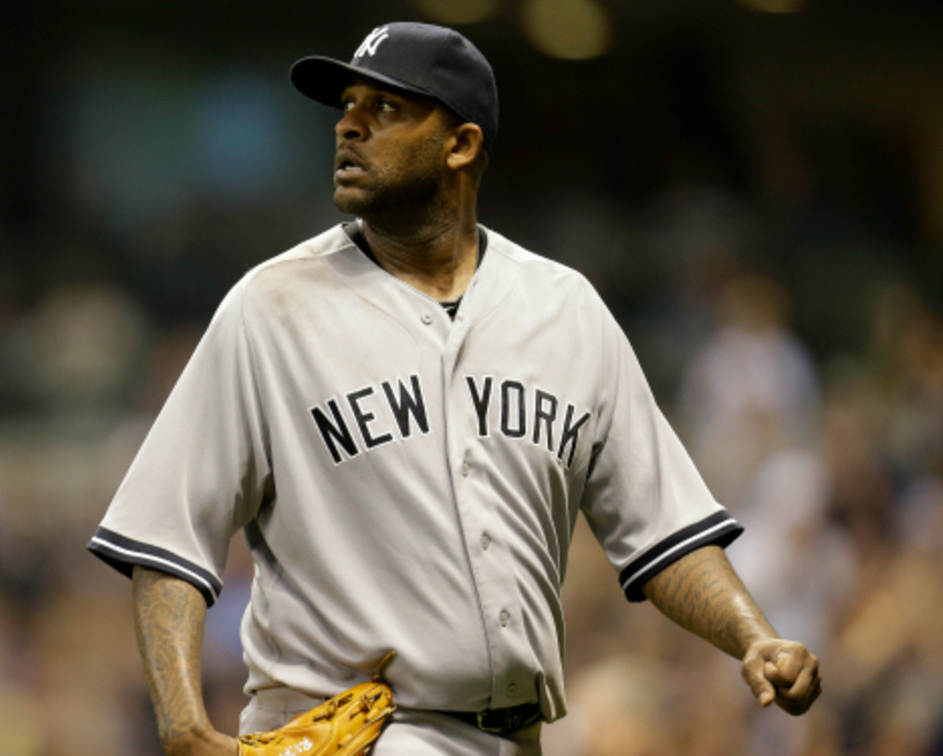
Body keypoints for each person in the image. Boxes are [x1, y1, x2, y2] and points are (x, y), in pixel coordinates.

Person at [87, 21, 822, 756]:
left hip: (516, 737)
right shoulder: (270, 308)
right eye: (348, 103)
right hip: (342, 737)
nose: (349, 124)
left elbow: (665, 534)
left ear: (461, 145)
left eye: (386, 108)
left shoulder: (565, 310)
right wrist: (182, 724)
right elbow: (165, 537)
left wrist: (753, 637)